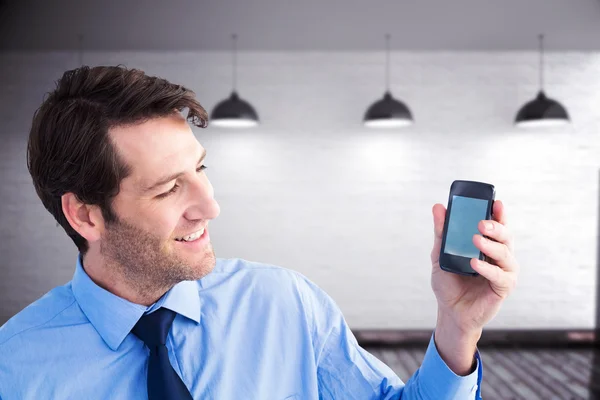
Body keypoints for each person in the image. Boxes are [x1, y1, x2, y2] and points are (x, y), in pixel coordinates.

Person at [0, 66, 519, 400]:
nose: (210, 206)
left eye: (201, 170)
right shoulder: (14, 368)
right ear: (86, 215)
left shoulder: (285, 305)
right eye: (167, 189)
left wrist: (457, 328)